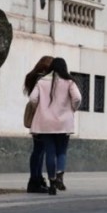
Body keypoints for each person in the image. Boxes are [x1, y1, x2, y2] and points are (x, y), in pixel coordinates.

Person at [28, 57, 81, 195]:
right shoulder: (70, 82)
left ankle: (51, 183)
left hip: (45, 123)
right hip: (63, 123)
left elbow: (33, 99)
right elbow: (77, 98)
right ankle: (59, 176)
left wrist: (40, 108)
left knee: (50, 152)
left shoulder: (42, 81)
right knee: (62, 152)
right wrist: (72, 109)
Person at [23, 55, 53, 194]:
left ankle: (37, 178)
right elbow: (36, 98)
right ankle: (34, 180)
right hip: (41, 117)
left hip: (37, 116)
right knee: (39, 150)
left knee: (39, 149)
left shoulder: (33, 77)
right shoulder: (43, 79)